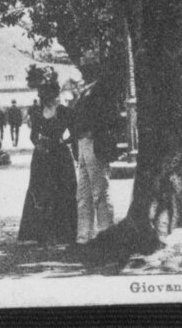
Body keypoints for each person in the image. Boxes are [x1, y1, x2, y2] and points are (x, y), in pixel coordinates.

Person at [18, 67, 77, 245]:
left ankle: (64, 232)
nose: (46, 98)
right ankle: (41, 233)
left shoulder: (64, 111)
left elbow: (74, 133)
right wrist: (39, 145)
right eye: (43, 95)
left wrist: (62, 143)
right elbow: (32, 136)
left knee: (63, 190)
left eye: (48, 94)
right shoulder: (36, 112)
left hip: (60, 156)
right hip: (42, 157)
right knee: (41, 191)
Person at [73, 80, 119, 244]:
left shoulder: (103, 87)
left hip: (95, 142)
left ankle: (106, 233)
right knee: (83, 193)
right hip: (82, 142)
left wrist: (95, 130)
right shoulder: (85, 90)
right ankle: (84, 235)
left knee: (100, 190)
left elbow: (112, 117)